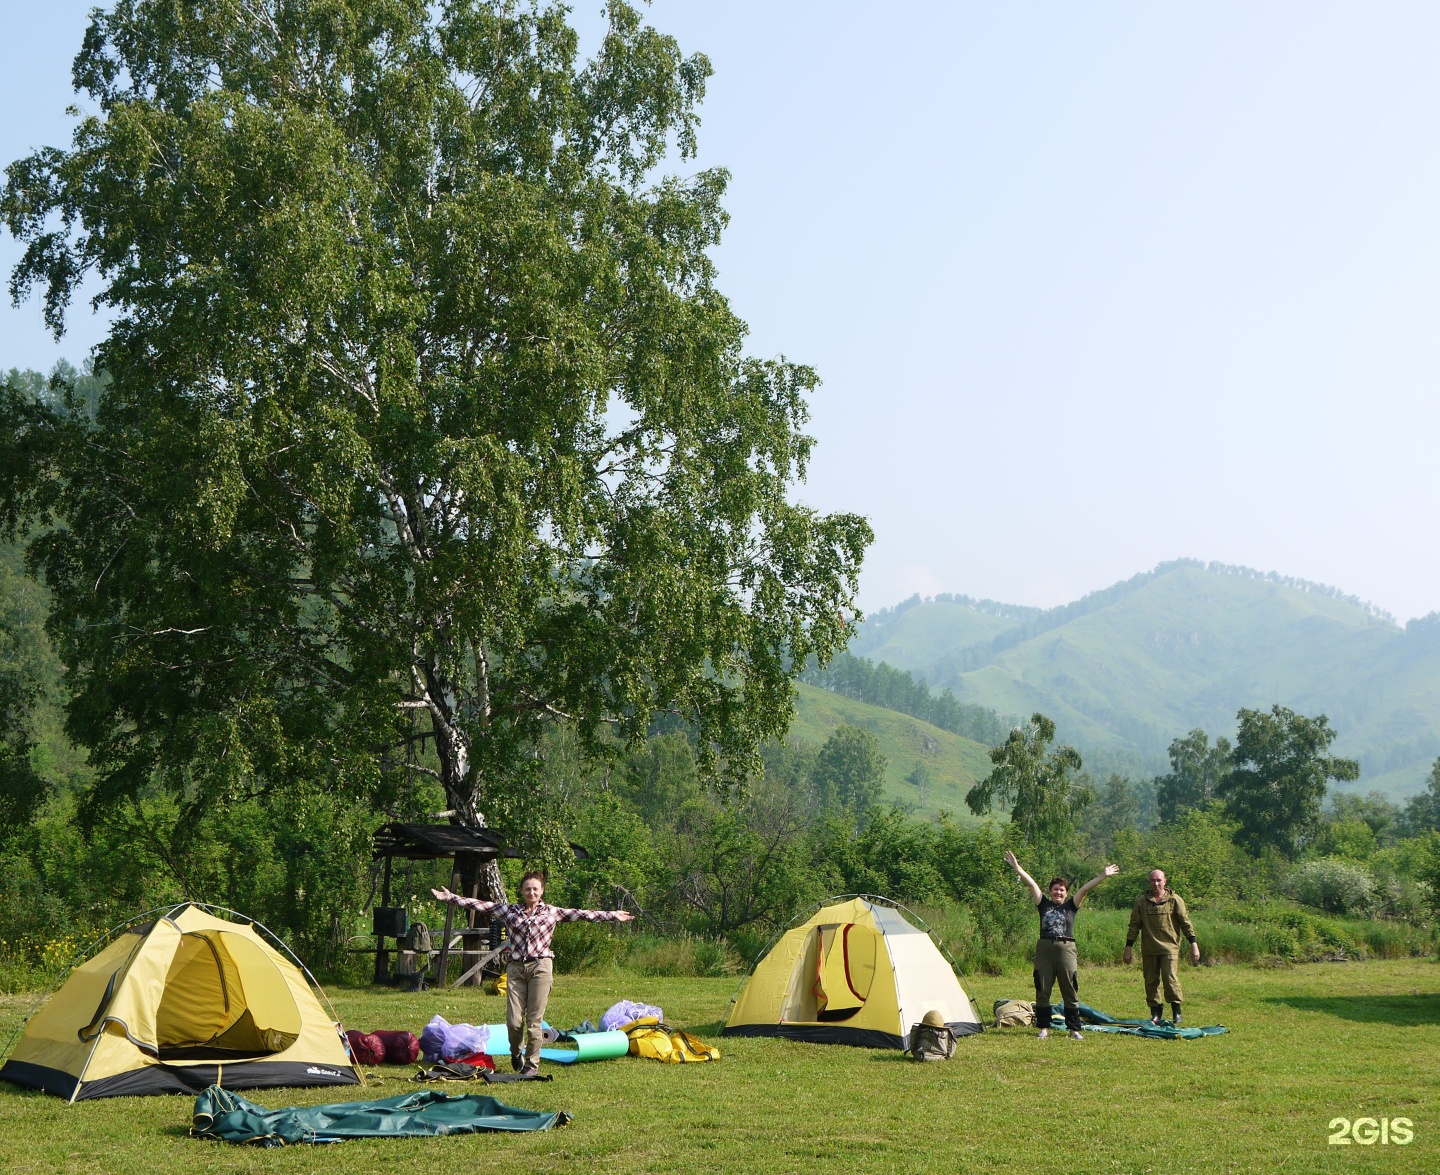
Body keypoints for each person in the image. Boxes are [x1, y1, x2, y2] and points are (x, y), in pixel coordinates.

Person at [432, 873, 634, 1074]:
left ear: (542, 891)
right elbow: (481, 905)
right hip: (516, 969)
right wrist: (451, 898)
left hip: (541, 967)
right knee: (514, 1021)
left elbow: (583, 914)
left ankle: (531, 1065)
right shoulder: (510, 911)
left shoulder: (552, 912)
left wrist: (612, 915)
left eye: (536, 889)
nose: (532, 892)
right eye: (528, 889)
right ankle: (515, 1052)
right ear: (522, 891)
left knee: (534, 1021)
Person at [1004, 851, 1120, 1040]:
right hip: (1045, 949)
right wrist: (1017, 868)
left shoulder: (1071, 906)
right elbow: (1031, 884)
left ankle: (1074, 1029)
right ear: (1050, 891)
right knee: (1042, 988)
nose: (1058, 892)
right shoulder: (1043, 904)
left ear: (1066, 893)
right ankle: (1044, 1027)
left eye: (1062, 890)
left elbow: (1085, 889)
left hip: (1066, 949)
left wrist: (1103, 875)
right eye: (1055, 889)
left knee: (1069, 989)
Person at [1123, 868, 1201, 1025]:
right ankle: (1155, 1012)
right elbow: (1134, 925)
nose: (1156, 883)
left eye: (1159, 880)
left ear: (1165, 881)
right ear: (1149, 882)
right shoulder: (1141, 902)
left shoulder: (1175, 900)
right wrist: (1128, 948)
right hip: (1149, 948)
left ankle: (1176, 1011)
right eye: (1153, 880)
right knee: (1151, 981)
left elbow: (1185, 923)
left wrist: (1193, 943)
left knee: (1170, 978)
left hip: (1169, 948)